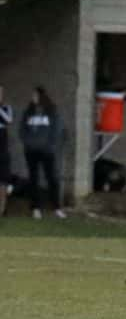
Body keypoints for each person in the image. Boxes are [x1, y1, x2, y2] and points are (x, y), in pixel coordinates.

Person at [19, 86, 65, 220]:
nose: (33, 98)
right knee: (33, 178)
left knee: (51, 178)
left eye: (35, 95)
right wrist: (27, 142)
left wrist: (50, 144)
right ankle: (35, 208)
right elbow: (22, 130)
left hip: (46, 151)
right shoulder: (28, 112)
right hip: (31, 151)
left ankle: (56, 207)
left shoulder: (51, 112)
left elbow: (56, 129)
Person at [0, 85, 12, 216]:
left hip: (3, 151)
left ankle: (2, 209)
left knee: (3, 181)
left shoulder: (6, 108)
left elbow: (9, 120)